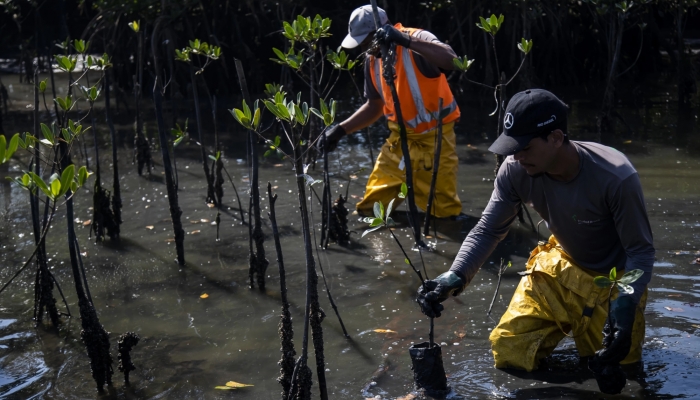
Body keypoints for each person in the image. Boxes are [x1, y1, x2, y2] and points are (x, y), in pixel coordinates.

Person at [416, 89, 655, 376]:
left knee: (619, 371)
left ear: (555, 138)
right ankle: (576, 377)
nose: (516, 157)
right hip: (560, 266)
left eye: (525, 147)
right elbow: (488, 230)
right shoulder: (515, 170)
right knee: (509, 352)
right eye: (512, 147)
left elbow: (639, 252)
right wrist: (454, 276)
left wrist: (625, 303)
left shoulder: (616, 177)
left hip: (612, 283)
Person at [320, 5, 462, 218]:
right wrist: (340, 130)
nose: (364, 48)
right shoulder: (371, 60)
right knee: (371, 210)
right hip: (397, 142)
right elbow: (374, 106)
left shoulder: (416, 38)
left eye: (366, 41)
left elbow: (453, 61)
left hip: (435, 142)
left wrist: (405, 41)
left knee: (444, 214)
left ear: (380, 31)